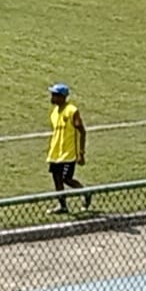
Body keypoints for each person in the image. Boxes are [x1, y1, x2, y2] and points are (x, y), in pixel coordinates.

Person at [45, 83, 90, 214]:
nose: (52, 97)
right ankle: (62, 206)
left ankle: (85, 193)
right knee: (57, 180)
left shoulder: (72, 111)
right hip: (55, 153)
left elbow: (82, 131)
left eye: (55, 95)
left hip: (68, 153)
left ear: (62, 97)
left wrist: (81, 153)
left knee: (66, 179)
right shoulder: (54, 113)